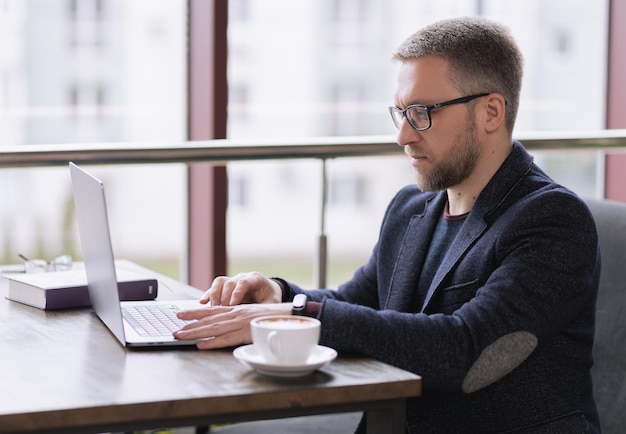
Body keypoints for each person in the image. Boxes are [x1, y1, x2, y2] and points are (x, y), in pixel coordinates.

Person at [174, 16, 601, 433]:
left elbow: (468, 351)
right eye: (400, 113)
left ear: (491, 112)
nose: (403, 136)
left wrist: (299, 313)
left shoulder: (552, 221)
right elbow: (357, 302)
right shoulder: (410, 209)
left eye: (421, 112)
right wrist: (279, 294)